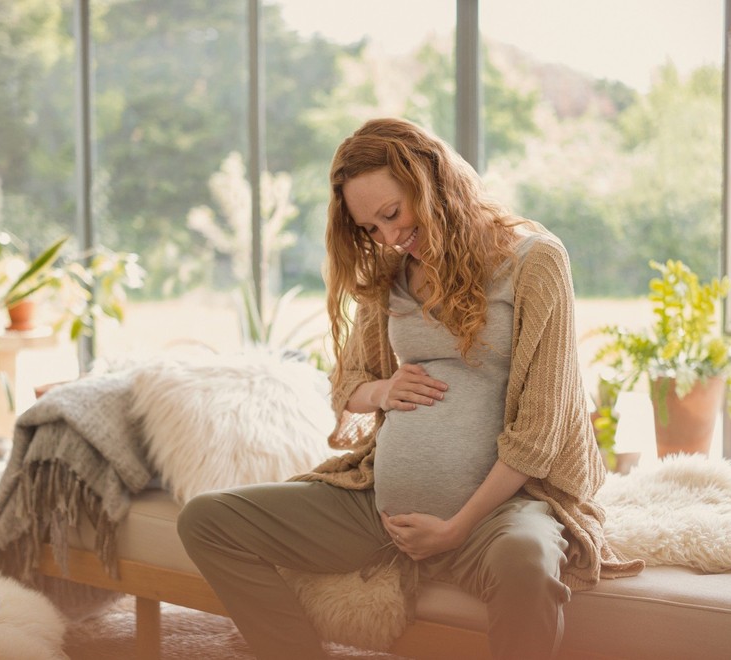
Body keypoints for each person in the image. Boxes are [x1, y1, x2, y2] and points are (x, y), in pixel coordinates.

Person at [178, 117, 644, 660]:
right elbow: (347, 385)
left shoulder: (533, 261)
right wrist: (382, 392)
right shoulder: (392, 277)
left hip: (495, 514)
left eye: (393, 213)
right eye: (371, 229)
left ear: (431, 180)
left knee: (529, 564)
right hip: (379, 511)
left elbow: (540, 432)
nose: (389, 237)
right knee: (207, 521)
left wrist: (454, 529)